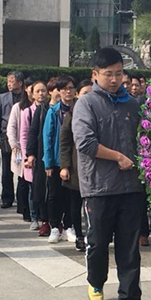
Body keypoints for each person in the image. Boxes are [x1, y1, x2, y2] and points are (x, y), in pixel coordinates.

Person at [72, 47, 147, 300]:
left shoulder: (133, 105)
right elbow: (85, 143)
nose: (114, 80)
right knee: (98, 242)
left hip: (130, 187)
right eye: (108, 75)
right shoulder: (87, 103)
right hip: (99, 187)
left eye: (119, 74)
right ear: (95, 74)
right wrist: (118, 157)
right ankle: (95, 281)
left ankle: (130, 299)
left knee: (129, 246)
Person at [43, 75, 77, 244]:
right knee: (54, 195)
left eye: (70, 88)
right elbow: (47, 138)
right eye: (64, 88)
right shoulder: (53, 111)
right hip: (56, 161)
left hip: (74, 161)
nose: (67, 91)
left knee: (71, 196)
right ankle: (55, 227)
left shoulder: (80, 108)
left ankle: (69, 226)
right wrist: (48, 162)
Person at [59, 79, 92, 252]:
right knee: (75, 202)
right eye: (85, 93)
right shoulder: (72, 114)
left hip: (96, 167)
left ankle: (94, 235)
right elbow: (64, 142)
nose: (89, 96)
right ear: (78, 95)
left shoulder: (98, 111)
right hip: (76, 165)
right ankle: (79, 235)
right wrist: (64, 166)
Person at [26, 78, 60, 237]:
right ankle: (45, 220)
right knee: (43, 189)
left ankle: (61, 222)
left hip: (61, 155)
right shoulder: (42, 110)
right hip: (42, 155)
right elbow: (33, 133)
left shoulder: (69, 109)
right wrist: (31, 154)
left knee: (60, 191)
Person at [0, 71, 25, 209]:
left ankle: (21, 197)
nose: (10, 84)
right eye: (8, 81)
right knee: (6, 169)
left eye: (12, 81)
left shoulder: (26, 96)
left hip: (22, 137)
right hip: (6, 137)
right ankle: (7, 197)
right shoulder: (2, 97)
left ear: (20, 82)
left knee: (20, 167)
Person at [20, 80, 48, 230]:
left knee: (43, 187)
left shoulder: (49, 108)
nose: (41, 94)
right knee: (33, 188)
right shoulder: (28, 111)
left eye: (43, 90)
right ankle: (34, 217)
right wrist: (28, 155)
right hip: (33, 155)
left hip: (45, 154)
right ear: (32, 94)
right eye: (37, 91)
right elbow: (25, 135)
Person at [7, 83, 33, 221]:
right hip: (19, 148)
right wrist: (14, 145)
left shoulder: (40, 106)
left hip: (34, 149)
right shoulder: (18, 107)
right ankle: (24, 209)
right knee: (22, 178)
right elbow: (11, 127)